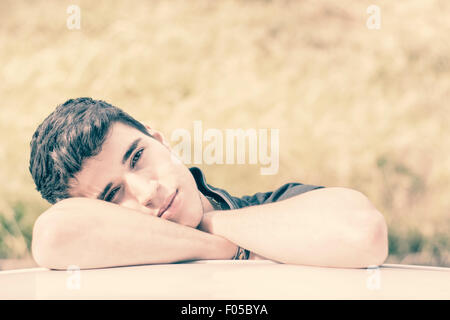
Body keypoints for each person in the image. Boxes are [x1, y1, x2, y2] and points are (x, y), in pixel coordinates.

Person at [29, 97, 388, 270]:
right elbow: (52, 236)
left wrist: (212, 221)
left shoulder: (273, 208)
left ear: (161, 140)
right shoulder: (100, 264)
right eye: (112, 195)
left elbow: (363, 233)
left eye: (137, 157)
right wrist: (225, 249)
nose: (147, 191)